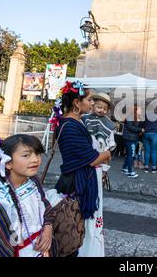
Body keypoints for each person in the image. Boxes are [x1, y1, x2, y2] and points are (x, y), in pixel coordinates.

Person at [52, 81, 111, 257]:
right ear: (77, 103)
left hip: (80, 181)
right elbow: (92, 159)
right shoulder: (70, 126)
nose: (93, 103)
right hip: (76, 185)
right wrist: (107, 153)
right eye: (90, 99)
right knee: (73, 231)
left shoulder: (76, 123)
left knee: (80, 230)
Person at [0, 135, 57, 257]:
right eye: (26, 155)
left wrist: (48, 228)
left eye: (37, 154)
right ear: (8, 163)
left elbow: (45, 208)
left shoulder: (33, 183)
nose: (35, 159)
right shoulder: (1, 200)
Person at [122, 106, 144, 179]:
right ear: (136, 110)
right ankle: (130, 171)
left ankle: (124, 168)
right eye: (140, 109)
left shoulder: (135, 117)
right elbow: (131, 128)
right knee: (131, 154)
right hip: (130, 138)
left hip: (131, 138)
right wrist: (140, 129)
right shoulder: (130, 117)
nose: (141, 110)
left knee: (129, 154)